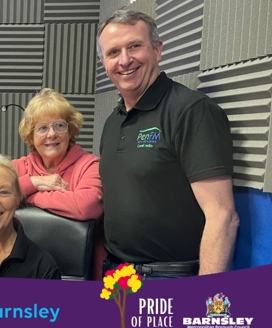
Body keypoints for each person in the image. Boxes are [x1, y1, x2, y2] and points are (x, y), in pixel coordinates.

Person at [97, 9, 239, 279]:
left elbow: (223, 217)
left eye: (135, 46)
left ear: (157, 50)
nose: (125, 60)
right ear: (105, 63)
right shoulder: (113, 122)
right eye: (113, 52)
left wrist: (204, 301)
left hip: (170, 278)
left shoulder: (192, 111)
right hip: (117, 276)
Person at [13, 88, 103, 220]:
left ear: (70, 130)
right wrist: (33, 182)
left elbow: (86, 207)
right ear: (31, 136)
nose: (52, 134)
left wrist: (28, 196)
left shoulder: (90, 166)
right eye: (43, 128)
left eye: (59, 125)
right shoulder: (18, 167)